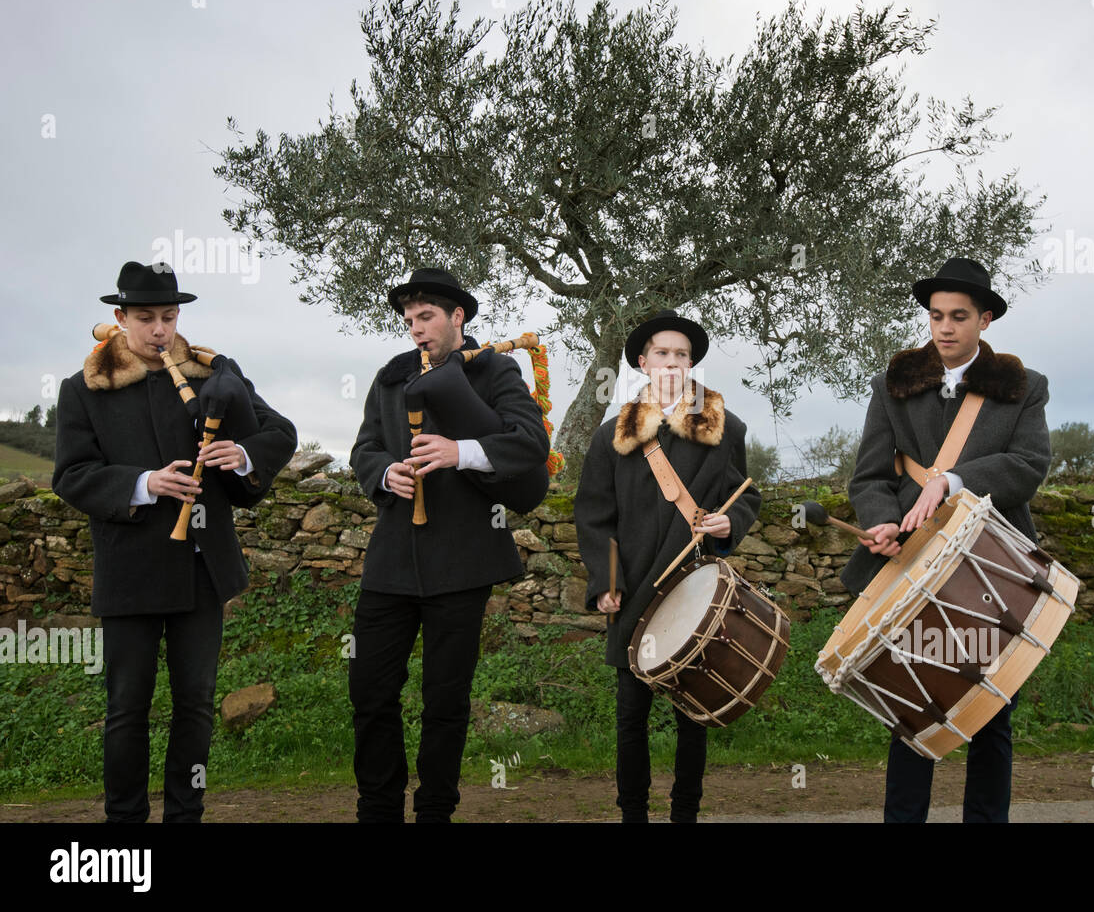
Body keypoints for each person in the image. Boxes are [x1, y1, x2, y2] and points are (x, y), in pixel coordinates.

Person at [53, 261, 297, 822]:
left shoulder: (215, 374)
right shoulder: (82, 389)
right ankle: (125, 824)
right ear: (119, 318)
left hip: (200, 572)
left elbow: (279, 432)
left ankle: (186, 815)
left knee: (195, 707)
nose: (159, 330)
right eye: (145, 318)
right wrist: (144, 483)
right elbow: (71, 475)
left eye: (168, 316)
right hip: (131, 571)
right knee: (126, 710)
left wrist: (243, 453)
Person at [841, 257, 1051, 823]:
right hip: (912, 556)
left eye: (959, 316)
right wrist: (883, 520)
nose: (945, 328)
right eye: (936, 316)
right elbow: (870, 476)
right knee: (910, 700)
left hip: (993, 560)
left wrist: (953, 483)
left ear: (985, 320)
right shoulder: (895, 385)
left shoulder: (1024, 389)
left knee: (992, 707)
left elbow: (1029, 465)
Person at [347, 266, 550, 822]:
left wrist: (459, 452)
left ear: (458, 315)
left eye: (427, 316)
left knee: (445, 698)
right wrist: (385, 473)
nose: (416, 329)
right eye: (409, 319)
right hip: (391, 561)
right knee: (369, 690)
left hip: (463, 561)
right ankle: (378, 809)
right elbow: (363, 448)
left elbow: (531, 442)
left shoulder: (497, 370)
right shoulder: (390, 378)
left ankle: (436, 810)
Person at [575, 310, 761, 822]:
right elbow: (594, 515)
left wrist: (730, 524)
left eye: (682, 354)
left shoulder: (727, 429)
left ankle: (686, 815)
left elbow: (746, 497)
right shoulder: (612, 435)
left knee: (691, 717)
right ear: (643, 361)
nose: (673, 362)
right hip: (632, 590)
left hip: (695, 591)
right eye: (663, 353)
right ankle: (632, 813)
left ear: (692, 362)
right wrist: (605, 582)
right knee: (630, 719)